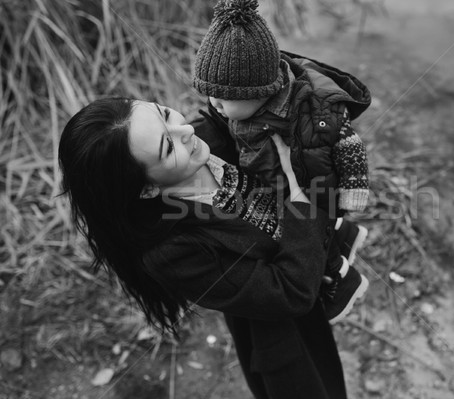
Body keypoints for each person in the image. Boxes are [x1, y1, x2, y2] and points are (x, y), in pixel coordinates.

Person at [59, 97, 349, 398]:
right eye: (168, 147)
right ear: (147, 189)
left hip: (316, 276)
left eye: (166, 114)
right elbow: (289, 292)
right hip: (282, 335)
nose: (184, 130)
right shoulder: (171, 252)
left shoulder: (214, 132)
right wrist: (303, 197)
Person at [193, 0, 371, 322]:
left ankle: (343, 280)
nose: (214, 104)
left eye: (223, 99)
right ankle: (347, 234)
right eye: (210, 95)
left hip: (314, 186)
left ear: (259, 92)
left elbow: (348, 142)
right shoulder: (247, 108)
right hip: (275, 182)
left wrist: (353, 190)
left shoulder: (311, 111)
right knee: (308, 226)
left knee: (316, 239)